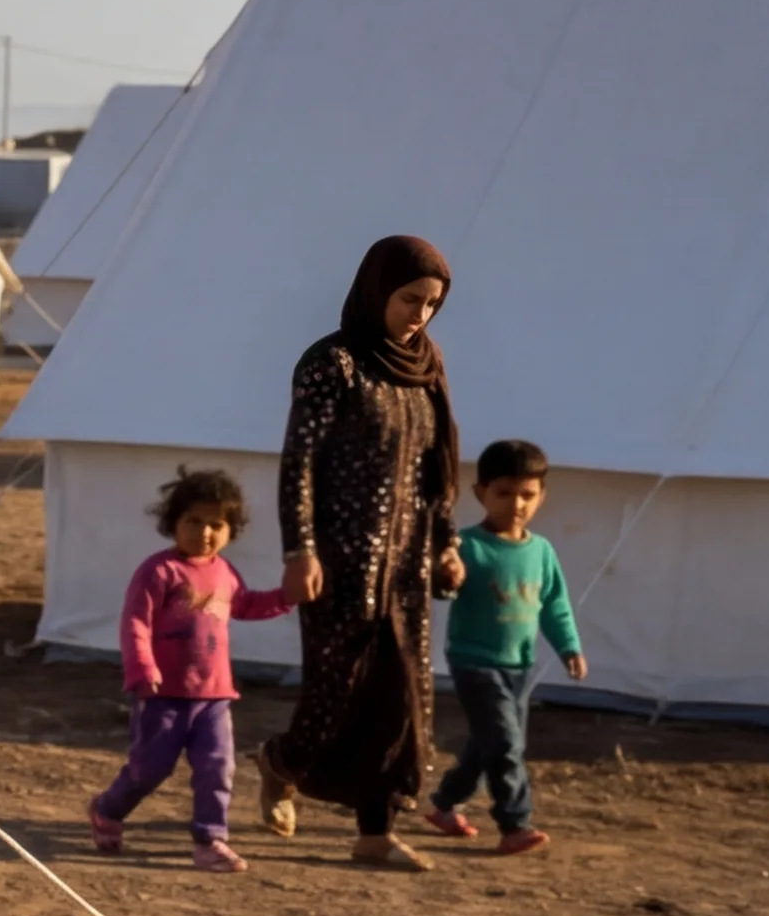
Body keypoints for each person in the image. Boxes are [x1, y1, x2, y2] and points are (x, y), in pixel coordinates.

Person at [258, 235, 467, 871]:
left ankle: (375, 832)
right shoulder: (335, 363)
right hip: (340, 560)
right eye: (410, 300)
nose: (420, 315)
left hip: (404, 565)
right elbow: (300, 463)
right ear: (378, 291)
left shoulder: (425, 366)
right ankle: (282, 762)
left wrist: (447, 544)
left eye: (432, 304)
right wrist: (301, 549)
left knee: (400, 699)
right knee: (336, 690)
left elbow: (435, 473)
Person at [93, 465, 298, 870]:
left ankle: (210, 838)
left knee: (218, 766)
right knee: (149, 769)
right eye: (194, 521)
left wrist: (286, 596)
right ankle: (108, 810)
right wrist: (141, 668)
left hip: (214, 695)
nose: (205, 532)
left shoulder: (224, 572)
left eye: (216, 524)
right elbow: (136, 622)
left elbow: (246, 605)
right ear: (174, 523)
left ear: (230, 530)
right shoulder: (159, 572)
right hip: (162, 694)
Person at [430, 437, 588, 852]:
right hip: (473, 660)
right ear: (481, 492)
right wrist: (446, 576)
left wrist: (569, 647)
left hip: (519, 663)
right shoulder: (466, 545)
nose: (516, 504)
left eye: (527, 495)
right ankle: (515, 823)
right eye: (504, 493)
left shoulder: (541, 552)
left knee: (487, 744)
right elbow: (442, 590)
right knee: (505, 743)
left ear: (541, 496)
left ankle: (444, 803)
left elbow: (554, 604)